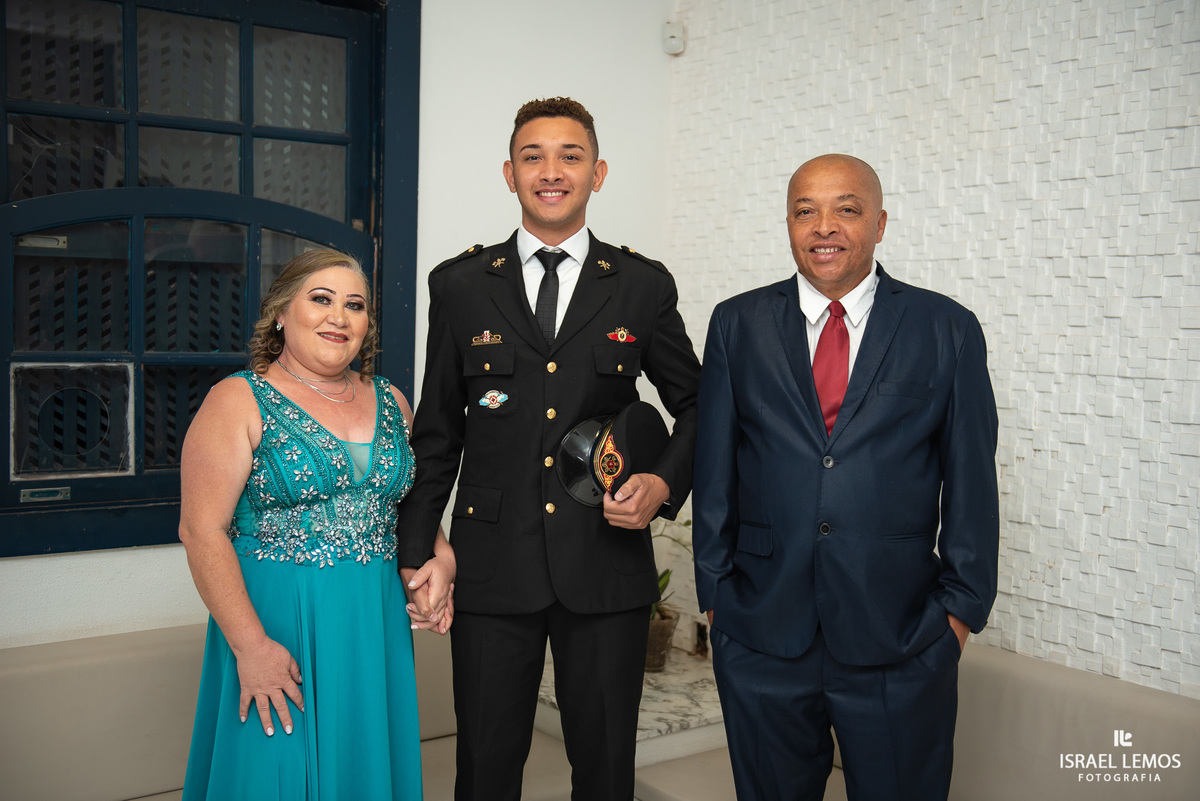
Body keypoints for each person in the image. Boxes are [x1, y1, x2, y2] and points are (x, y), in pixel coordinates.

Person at [395, 97, 701, 801]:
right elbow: (437, 431)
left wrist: (661, 484)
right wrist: (416, 548)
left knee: (605, 771)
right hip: (491, 565)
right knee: (485, 768)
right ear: (510, 173)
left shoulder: (642, 285)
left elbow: (701, 404)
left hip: (606, 563)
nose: (551, 171)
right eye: (533, 157)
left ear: (598, 173)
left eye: (570, 156)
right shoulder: (460, 284)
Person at [692, 154, 999, 801]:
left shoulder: (946, 328)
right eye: (805, 210)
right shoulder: (736, 324)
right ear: (788, 223)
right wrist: (716, 596)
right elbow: (714, 468)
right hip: (761, 633)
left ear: (880, 224)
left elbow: (971, 478)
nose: (823, 226)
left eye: (847, 209)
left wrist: (958, 614)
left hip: (902, 639)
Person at [179, 249, 455, 800]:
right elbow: (200, 530)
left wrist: (439, 560)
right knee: (276, 771)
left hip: (373, 621)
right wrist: (251, 647)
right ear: (281, 312)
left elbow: (407, 505)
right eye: (321, 299)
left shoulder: (391, 400)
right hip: (276, 622)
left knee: (362, 760)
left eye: (355, 305)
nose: (339, 317)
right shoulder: (238, 398)